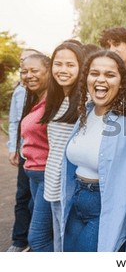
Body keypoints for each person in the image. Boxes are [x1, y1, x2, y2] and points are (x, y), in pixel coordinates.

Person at [61, 50, 126, 251]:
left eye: (110, 74)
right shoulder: (85, 113)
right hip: (76, 200)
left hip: (102, 206)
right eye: (94, 73)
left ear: (122, 82)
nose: (100, 79)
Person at [39, 42, 86, 251]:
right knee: (59, 241)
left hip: (70, 185)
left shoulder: (86, 102)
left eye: (70, 64)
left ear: (81, 67)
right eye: (58, 64)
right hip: (52, 181)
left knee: (69, 245)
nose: (63, 70)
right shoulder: (57, 98)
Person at [5, 48, 41, 252]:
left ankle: (35, 240)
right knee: (22, 197)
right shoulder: (19, 91)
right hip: (24, 152)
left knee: (37, 200)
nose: (24, 66)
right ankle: (19, 241)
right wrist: (13, 147)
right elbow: (14, 121)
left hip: (41, 156)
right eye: (22, 62)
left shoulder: (49, 90)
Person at [19, 53, 53, 252]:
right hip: (33, 174)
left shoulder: (53, 104)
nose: (28, 75)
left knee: (38, 238)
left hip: (45, 175)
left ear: (48, 71)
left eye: (34, 70)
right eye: (24, 71)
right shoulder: (36, 101)